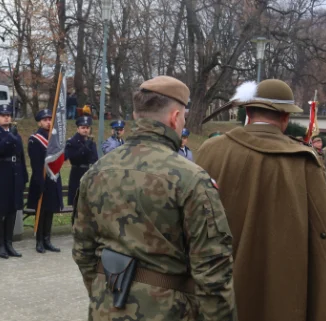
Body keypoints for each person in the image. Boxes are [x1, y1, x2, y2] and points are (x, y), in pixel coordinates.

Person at [73, 76, 237, 320]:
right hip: (169, 311)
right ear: (174, 117)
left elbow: (83, 251)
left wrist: (103, 294)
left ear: (138, 116)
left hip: (106, 307)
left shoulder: (96, 172)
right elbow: (212, 271)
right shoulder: (191, 179)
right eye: (183, 116)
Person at [195, 79, 326, 321]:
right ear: (286, 118)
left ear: (247, 111)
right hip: (282, 297)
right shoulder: (305, 162)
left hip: (215, 293)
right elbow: (324, 237)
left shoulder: (209, 150)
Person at [0, 104, 28, 259]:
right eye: (3, 115)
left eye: (9, 115)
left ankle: (9, 243)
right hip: (1, 175)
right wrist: (10, 138)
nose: (7, 118)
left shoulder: (15, 134)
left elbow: (21, 155)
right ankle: (0, 245)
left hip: (15, 175)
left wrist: (24, 174)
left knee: (12, 211)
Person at [27, 109, 63, 253]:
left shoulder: (54, 138)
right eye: (45, 120)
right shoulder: (35, 139)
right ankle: (39, 241)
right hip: (41, 179)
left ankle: (48, 239)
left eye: (50, 119)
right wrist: (39, 182)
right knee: (41, 212)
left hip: (53, 178)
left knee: (50, 211)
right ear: (39, 122)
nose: (48, 122)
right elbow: (35, 163)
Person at [64, 116, 98, 206]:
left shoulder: (91, 142)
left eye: (87, 128)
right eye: (83, 128)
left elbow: (95, 159)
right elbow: (73, 157)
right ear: (78, 129)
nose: (85, 130)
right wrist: (85, 149)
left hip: (88, 172)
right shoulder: (72, 142)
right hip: (77, 172)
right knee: (76, 201)